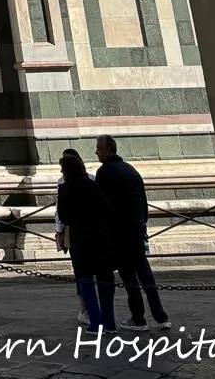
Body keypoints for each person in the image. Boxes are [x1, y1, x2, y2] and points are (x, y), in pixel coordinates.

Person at [95, 136, 169, 326]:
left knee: (129, 278)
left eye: (99, 149)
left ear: (108, 150)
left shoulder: (104, 172)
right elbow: (143, 202)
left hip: (118, 234)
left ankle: (139, 319)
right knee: (146, 275)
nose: (96, 152)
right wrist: (142, 224)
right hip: (136, 231)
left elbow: (102, 206)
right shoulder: (131, 170)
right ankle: (161, 317)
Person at [57, 150, 117, 330]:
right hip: (101, 239)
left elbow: (64, 216)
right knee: (106, 281)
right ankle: (110, 322)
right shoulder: (93, 185)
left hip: (80, 241)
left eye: (62, 169)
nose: (61, 172)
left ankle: (95, 322)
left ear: (67, 171)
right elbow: (107, 209)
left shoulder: (65, 189)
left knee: (86, 282)